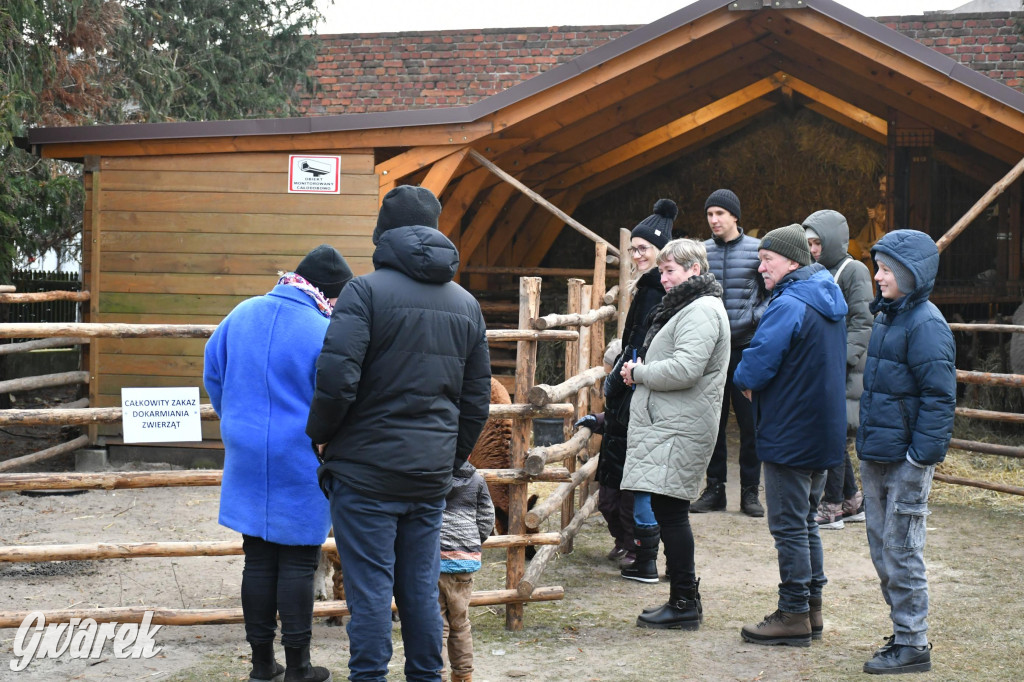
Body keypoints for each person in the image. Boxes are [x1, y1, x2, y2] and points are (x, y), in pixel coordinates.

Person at [306, 185, 491, 682]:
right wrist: (448, 460)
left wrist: (320, 437)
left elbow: (336, 379)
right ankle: (427, 677)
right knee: (419, 587)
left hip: (364, 475)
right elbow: (476, 401)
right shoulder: (466, 305)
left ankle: (369, 677)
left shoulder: (364, 292)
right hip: (429, 477)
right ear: (433, 227)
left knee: (368, 591)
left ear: (383, 232)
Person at [204, 244, 352, 682]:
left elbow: (213, 370)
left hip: (246, 449)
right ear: (327, 292)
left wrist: (233, 417)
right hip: (302, 453)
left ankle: (261, 666)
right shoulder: (324, 329)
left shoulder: (242, 313)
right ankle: (299, 667)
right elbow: (337, 393)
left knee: (257, 559)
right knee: (299, 560)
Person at [732, 224, 847, 647]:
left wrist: (743, 378)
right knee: (807, 523)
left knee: (788, 527)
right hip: (820, 428)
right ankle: (812, 609)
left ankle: (793, 612)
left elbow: (756, 365)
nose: (761, 266)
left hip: (790, 429)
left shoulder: (790, 303)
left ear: (792, 261)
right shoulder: (827, 298)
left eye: (768, 259)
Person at [857, 229, 955, 675]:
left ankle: (914, 644)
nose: (878, 276)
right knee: (883, 549)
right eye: (877, 267)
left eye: (886, 269)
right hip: (878, 453)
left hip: (906, 461)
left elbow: (939, 397)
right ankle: (902, 632)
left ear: (912, 273)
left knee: (902, 549)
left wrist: (921, 459)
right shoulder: (888, 317)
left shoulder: (926, 323)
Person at [618, 238, 730, 630]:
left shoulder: (701, 310)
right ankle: (683, 598)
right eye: (662, 271)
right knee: (669, 510)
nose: (663, 278)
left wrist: (639, 373)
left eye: (670, 271)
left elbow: (685, 369)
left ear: (693, 271)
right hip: (672, 423)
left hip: (680, 425)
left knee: (672, 511)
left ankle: (684, 601)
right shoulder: (690, 306)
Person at [576, 198, 676, 583]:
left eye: (643, 248)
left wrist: (620, 372)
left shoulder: (655, 289)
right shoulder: (644, 286)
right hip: (627, 386)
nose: (636, 255)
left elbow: (645, 343)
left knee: (630, 480)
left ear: (660, 251)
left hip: (636, 387)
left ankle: (636, 545)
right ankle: (628, 541)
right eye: (633, 248)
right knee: (616, 477)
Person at [694, 189, 768, 517]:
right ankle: (715, 489)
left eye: (720, 214)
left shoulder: (756, 250)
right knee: (712, 423)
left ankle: (751, 492)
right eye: (710, 215)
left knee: (751, 424)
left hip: (746, 349)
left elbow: (771, 290)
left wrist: (755, 317)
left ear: (735, 216)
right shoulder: (702, 252)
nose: (714, 220)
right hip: (712, 351)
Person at [803, 210, 874, 529]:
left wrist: (839, 358)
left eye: (818, 242)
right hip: (825, 364)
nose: (813, 248)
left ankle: (831, 505)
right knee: (832, 432)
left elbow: (863, 321)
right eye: (809, 243)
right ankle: (852, 500)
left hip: (845, 367)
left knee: (834, 435)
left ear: (831, 241)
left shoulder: (854, 270)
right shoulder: (815, 271)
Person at [438, 460, 495, 682]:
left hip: (434, 561)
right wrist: (471, 542)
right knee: (460, 623)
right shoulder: (477, 480)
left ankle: (438, 675)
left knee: (438, 625)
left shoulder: (431, 477)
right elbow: (486, 518)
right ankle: (463, 675)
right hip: (464, 563)